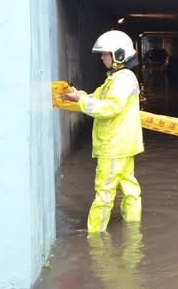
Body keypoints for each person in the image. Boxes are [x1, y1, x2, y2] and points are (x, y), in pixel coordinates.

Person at [61, 30, 144, 233]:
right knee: (130, 189)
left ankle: (95, 239)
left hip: (113, 146)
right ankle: (133, 231)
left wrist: (79, 101)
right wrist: (76, 95)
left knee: (104, 194)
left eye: (105, 54)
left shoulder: (122, 80)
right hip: (124, 145)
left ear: (119, 55)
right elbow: (95, 98)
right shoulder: (116, 78)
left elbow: (109, 108)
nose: (102, 58)